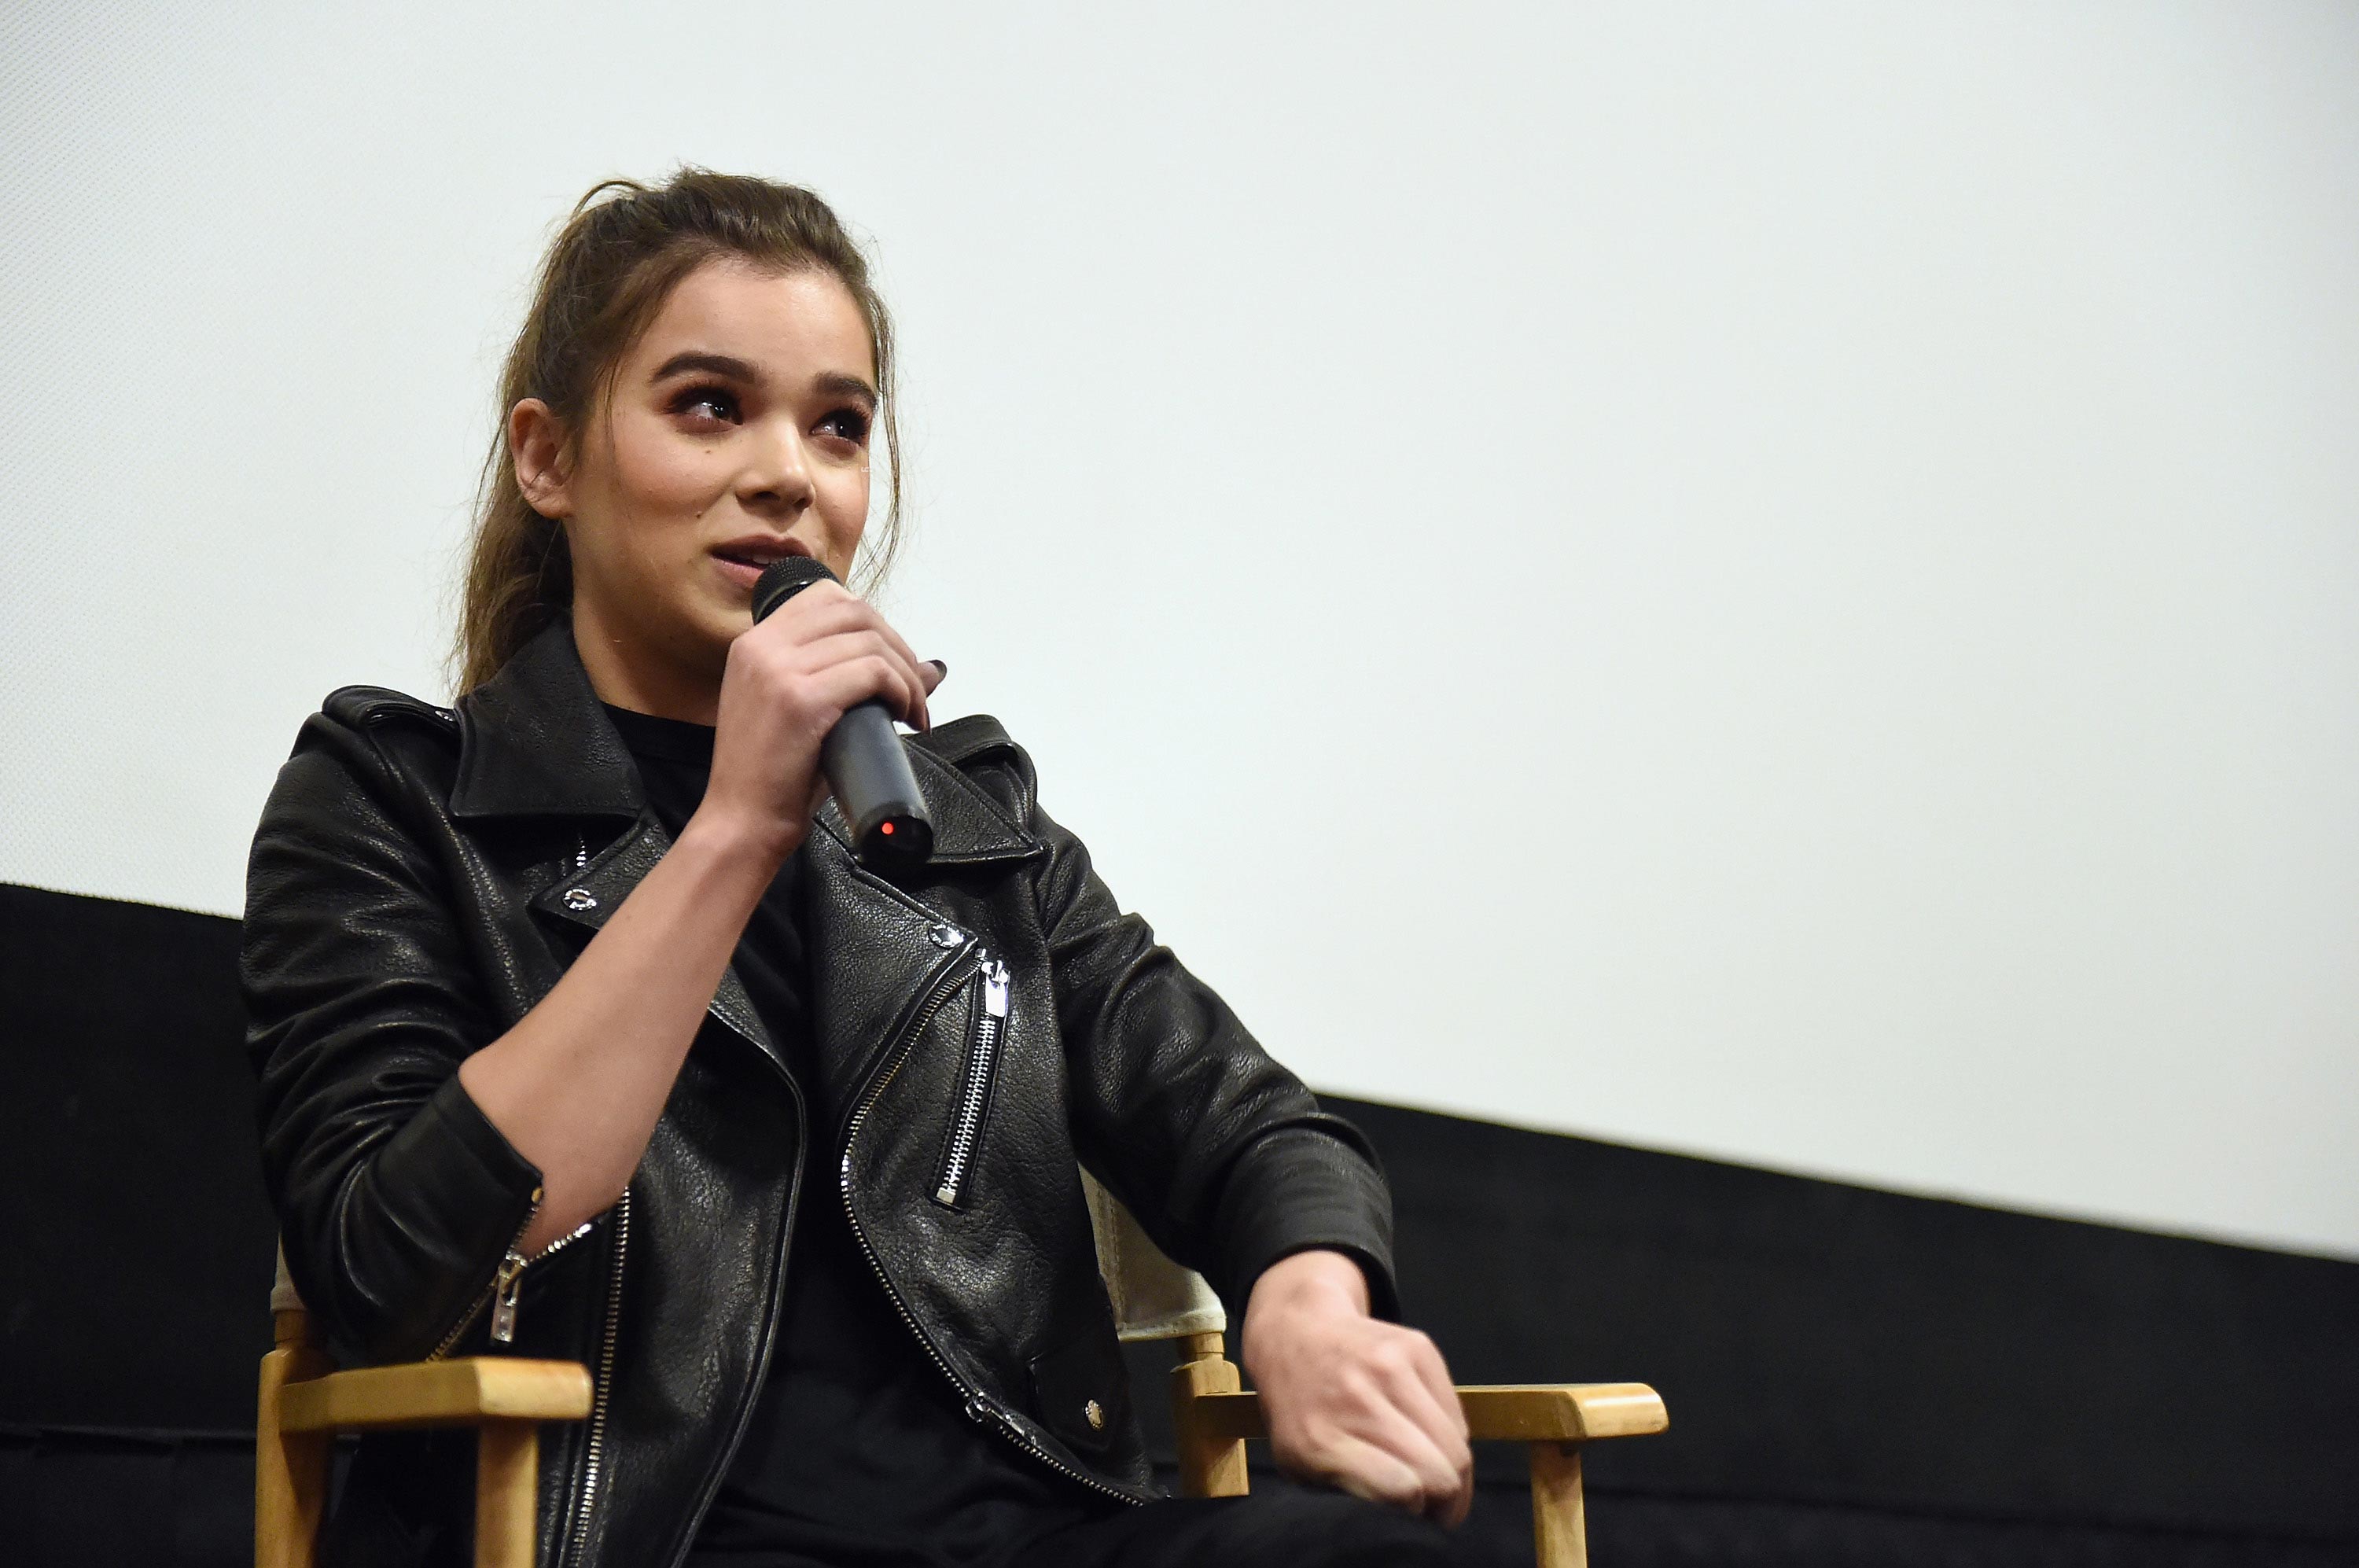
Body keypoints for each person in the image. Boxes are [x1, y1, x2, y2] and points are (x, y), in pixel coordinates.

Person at [244, 170, 1494, 1568]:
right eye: (710, 403)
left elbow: (1245, 1120)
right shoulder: (397, 799)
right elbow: (386, 1270)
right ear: (548, 459)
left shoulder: (965, 830)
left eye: (837, 425)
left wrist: (1306, 1307)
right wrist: (732, 832)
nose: (789, 469)